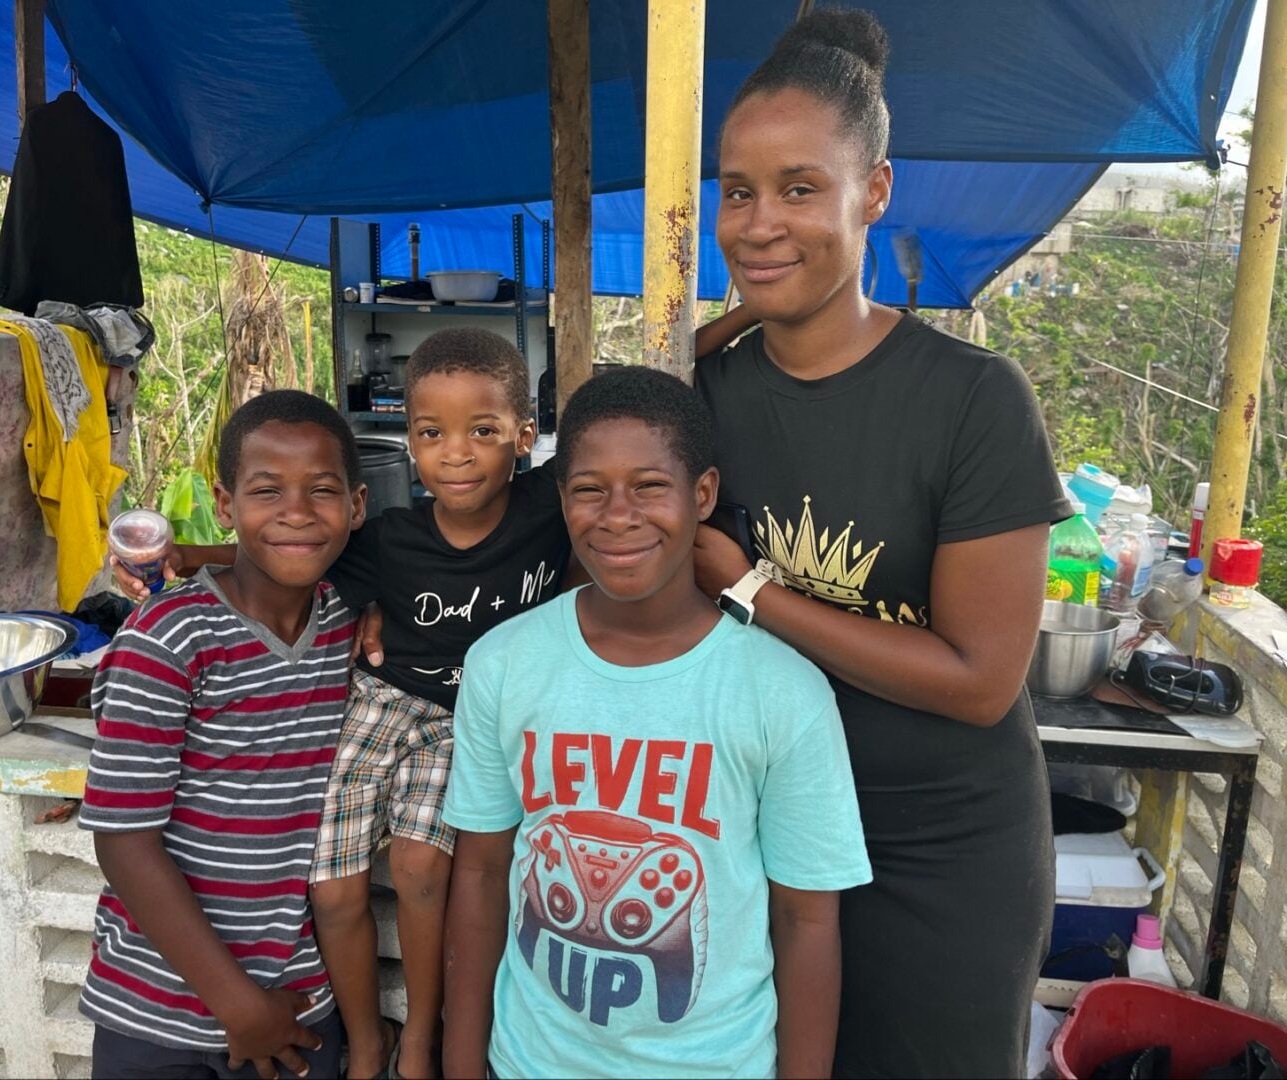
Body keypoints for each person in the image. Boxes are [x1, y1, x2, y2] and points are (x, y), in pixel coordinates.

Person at [692, 9, 1070, 1077]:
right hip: (756, 835)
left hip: (942, 851)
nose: (759, 223)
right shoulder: (706, 396)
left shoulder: (971, 400)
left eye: (801, 188)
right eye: (737, 190)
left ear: (877, 192)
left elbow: (980, 681)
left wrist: (754, 590)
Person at [111, 329, 573, 1079]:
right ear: (410, 443)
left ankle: (419, 1037)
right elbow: (284, 545)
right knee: (331, 884)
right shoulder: (387, 540)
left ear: (525, 438)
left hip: (473, 723)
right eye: (432, 434)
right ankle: (368, 1041)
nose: (457, 453)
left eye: (483, 432)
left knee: (423, 863)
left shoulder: (551, 509)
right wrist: (190, 555)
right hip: (386, 704)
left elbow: (631, 458)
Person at [441, 366, 871, 1080]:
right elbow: (482, 874)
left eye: (649, 486)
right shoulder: (504, 664)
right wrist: (462, 1065)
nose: (617, 515)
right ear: (561, 498)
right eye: (589, 490)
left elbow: (807, 921)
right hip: (529, 1062)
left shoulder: (782, 692)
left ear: (701, 494)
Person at [79, 390, 365, 1080]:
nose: (297, 511)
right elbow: (124, 842)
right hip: (157, 1012)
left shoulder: (347, 624)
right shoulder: (169, 638)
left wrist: (265, 1010)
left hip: (295, 1001)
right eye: (267, 491)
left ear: (357, 505)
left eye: (321, 490)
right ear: (226, 504)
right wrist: (237, 1005)